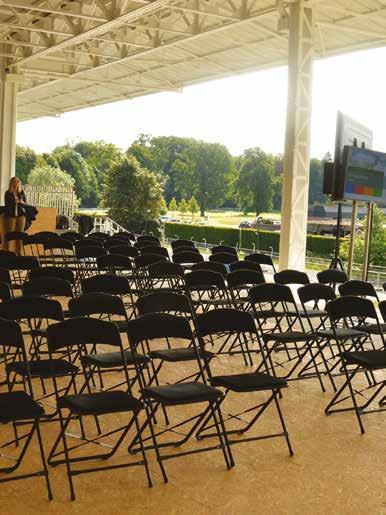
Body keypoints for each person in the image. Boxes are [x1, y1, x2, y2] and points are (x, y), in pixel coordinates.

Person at [4, 177, 27, 254]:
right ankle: (8, 253)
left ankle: (19, 253)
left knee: (20, 236)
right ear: (11, 183)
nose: (16, 184)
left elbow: (25, 204)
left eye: (17, 182)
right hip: (11, 217)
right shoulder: (8, 193)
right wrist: (15, 201)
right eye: (14, 182)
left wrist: (21, 202)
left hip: (21, 217)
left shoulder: (21, 192)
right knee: (10, 235)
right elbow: (7, 205)